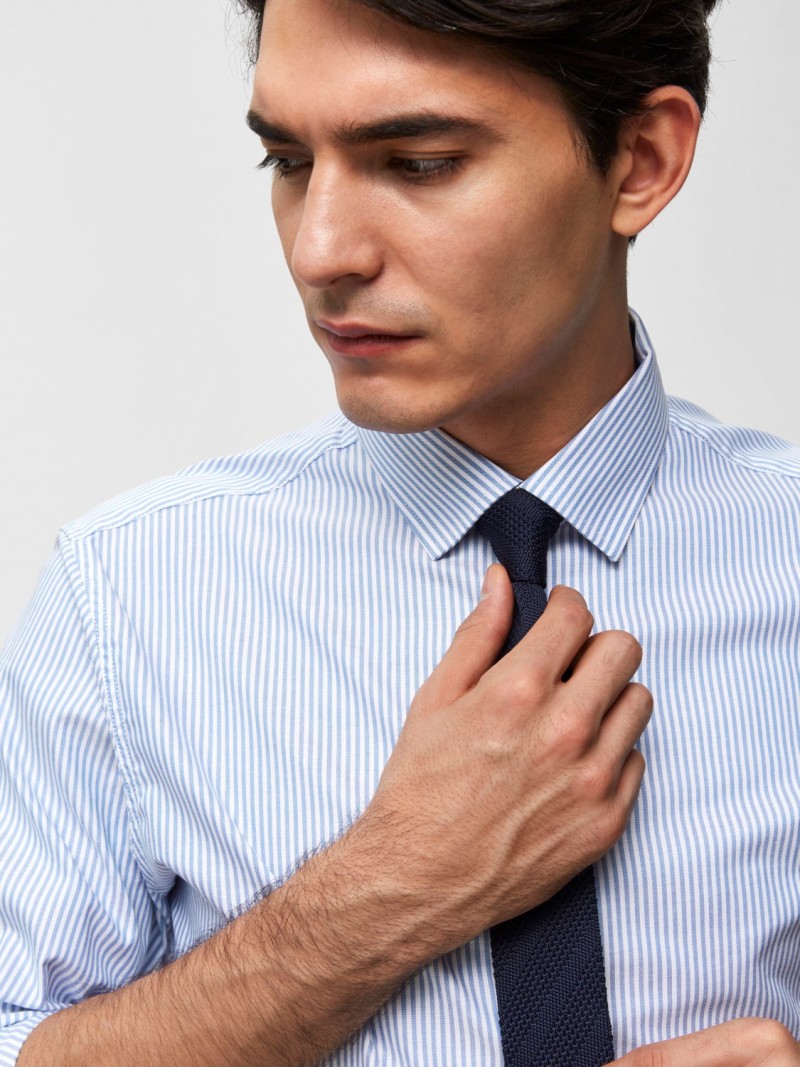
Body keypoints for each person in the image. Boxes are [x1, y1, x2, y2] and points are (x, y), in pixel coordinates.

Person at [1, 0, 799, 1063]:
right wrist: (397, 880)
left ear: (641, 161)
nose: (320, 251)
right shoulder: (126, 591)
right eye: (288, 161)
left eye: (418, 163)